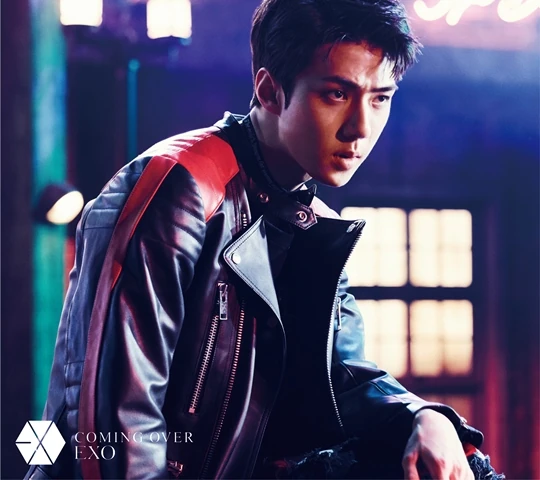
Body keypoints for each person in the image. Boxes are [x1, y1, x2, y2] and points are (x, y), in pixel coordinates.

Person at [26, 0, 499, 479]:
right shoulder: (182, 186)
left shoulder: (312, 222)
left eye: (380, 99)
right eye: (337, 94)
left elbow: (343, 376)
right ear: (270, 91)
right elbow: (116, 417)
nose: (361, 127)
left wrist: (423, 416)